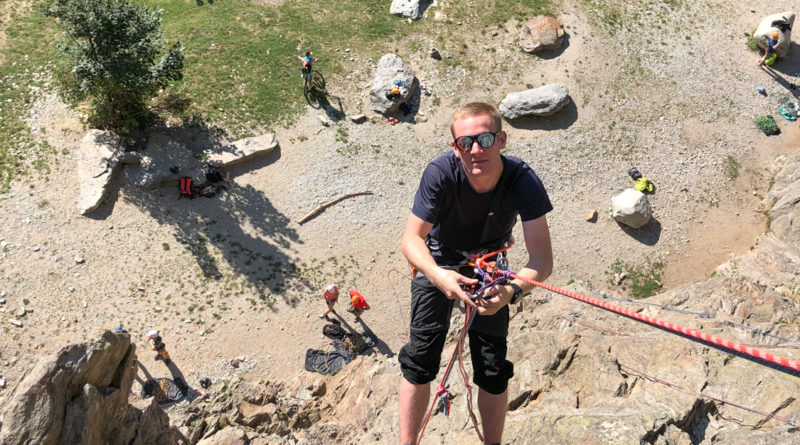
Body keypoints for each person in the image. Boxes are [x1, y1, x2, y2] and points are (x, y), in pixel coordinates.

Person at [398, 102, 553, 445]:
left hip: (489, 264)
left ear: (502, 140)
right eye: (465, 143)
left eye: (485, 138)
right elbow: (411, 239)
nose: (476, 149)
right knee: (421, 357)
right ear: (455, 148)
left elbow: (542, 258)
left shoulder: (522, 180)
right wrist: (438, 276)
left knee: (492, 366)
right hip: (439, 258)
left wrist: (511, 291)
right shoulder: (440, 173)